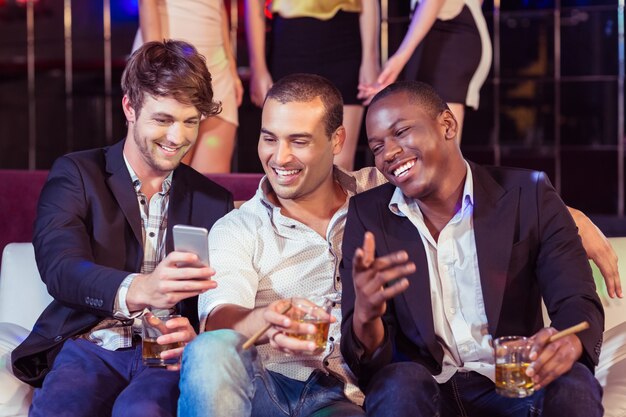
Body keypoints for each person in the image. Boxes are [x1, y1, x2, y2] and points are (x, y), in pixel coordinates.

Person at [339, 80, 605, 416]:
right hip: (423, 389)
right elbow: (369, 359)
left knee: (573, 383)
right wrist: (366, 312)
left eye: (401, 132)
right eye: (377, 147)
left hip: (514, 381)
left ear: (447, 125)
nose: (388, 153)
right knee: (399, 384)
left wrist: (569, 342)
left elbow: (575, 300)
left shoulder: (529, 193)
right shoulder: (368, 215)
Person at [10, 40, 233, 417]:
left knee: (143, 410)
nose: (177, 138)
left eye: (190, 121)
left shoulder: (213, 199)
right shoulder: (78, 174)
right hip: (88, 344)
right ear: (129, 107)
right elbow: (60, 268)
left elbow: (219, 298)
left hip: (166, 357)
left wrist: (202, 337)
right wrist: (139, 288)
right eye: (162, 120)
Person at [177, 73, 387, 417]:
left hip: (341, 397)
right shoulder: (239, 225)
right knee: (211, 350)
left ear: (337, 140)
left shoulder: (377, 194)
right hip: (262, 388)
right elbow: (216, 321)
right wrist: (266, 319)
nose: (280, 157)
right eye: (269, 139)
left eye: (299, 141)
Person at [245, 0, 380, 170]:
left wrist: (370, 58)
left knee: (340, 160)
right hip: (292, 36)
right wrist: (257, 67)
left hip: (346, 35)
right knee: (289, 153)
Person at [359, 0, 492, 142]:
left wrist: (399, 59)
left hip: (452, 31)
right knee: (425, 143)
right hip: (428, 29)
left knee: (442, 146)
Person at [135, 0, 243, 173]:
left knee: (211, 186)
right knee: (165, 179)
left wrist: (231, 67)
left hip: (217, 67)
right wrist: (158, 65)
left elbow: (220, 8)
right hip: (170, 64)